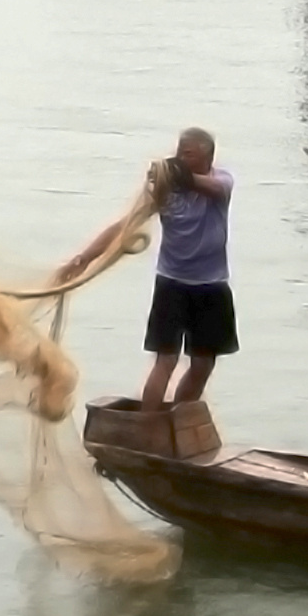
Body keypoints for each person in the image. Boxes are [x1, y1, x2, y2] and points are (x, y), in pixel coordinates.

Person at [63, 129, 237, 415]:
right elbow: (123, 227)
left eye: (188, 154)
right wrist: (84, 258)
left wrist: (180, 175)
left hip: (211, 286)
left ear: (207, 157)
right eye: (179, 152)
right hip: (172, 285)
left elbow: (215, 189)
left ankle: (176, 422)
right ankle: (146, 428)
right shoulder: (165, 191)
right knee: (165, 360)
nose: (180, 157)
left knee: (203, 365)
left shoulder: (222, 183)